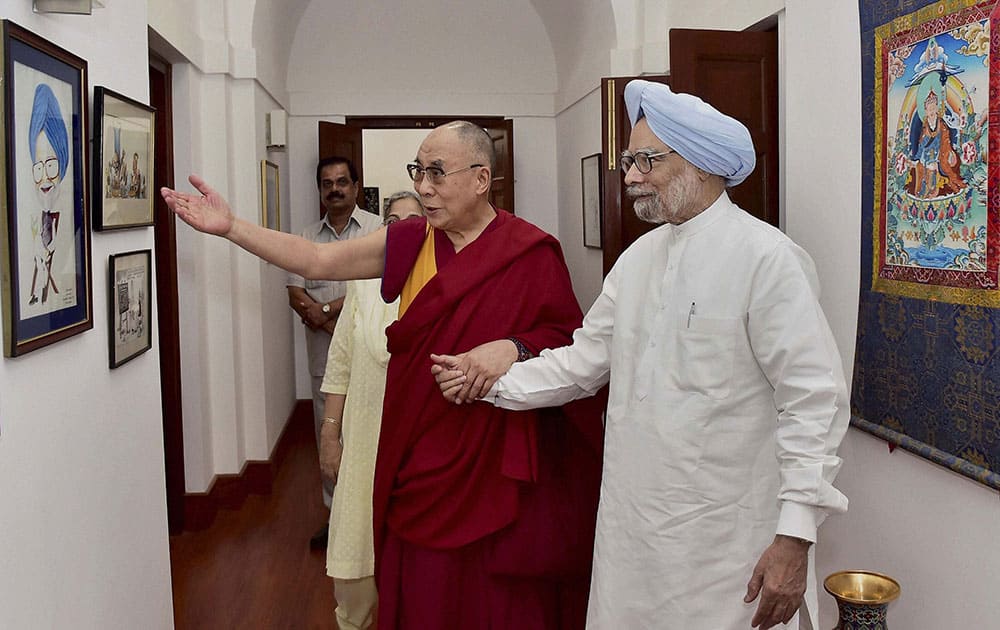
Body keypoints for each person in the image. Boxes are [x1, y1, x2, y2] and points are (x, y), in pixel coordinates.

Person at [431, 81, 850, 630]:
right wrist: (490, 383)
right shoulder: (637, 258)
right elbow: (583, 363)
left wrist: (795, 535)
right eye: (630, 160)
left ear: (700, 164)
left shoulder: (768, 259)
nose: (629, 176)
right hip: (634, 533)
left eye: (647, 160)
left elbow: (812, 403)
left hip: (726, 541)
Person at [161, 120, 604, 630]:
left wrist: (511, 347)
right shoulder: (410, 240)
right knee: (424, 590)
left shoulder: (530, 251)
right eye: (419, 170)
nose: (423, 186)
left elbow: (570, 342)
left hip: (495, 460)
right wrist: (232, 227)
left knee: (494, 602)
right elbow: (317, 258)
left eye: (438, 172)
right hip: (420, 457)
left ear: (482, 178)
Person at [317, 191, 424, 630]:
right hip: (363, 446)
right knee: (354, 581)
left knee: (414, 578)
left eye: (413, 222)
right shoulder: (362, 283)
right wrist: (329, 434)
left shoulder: (441, 281)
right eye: (392, 221)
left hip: (417, 453)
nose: (400, 230)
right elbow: (340, 361)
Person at [287, 156, 382, 549]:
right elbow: (296, 293)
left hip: (372, 358)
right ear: (320, 191)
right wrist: (329, 321)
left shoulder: (378, 230)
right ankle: (336, 519)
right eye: (327, 184)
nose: (336, 189)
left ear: (357, 187)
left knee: (371, 435)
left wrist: (325, 311)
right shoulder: (306, 236)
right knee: (327, 435)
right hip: (324, 360)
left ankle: (374, 519)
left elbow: (373, 288)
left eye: (343, 181)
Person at [27, 84, 68, 307]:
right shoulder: (31, 222)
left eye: (51, 166)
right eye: (38, 167)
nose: (44, 179)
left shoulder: (70, 221)